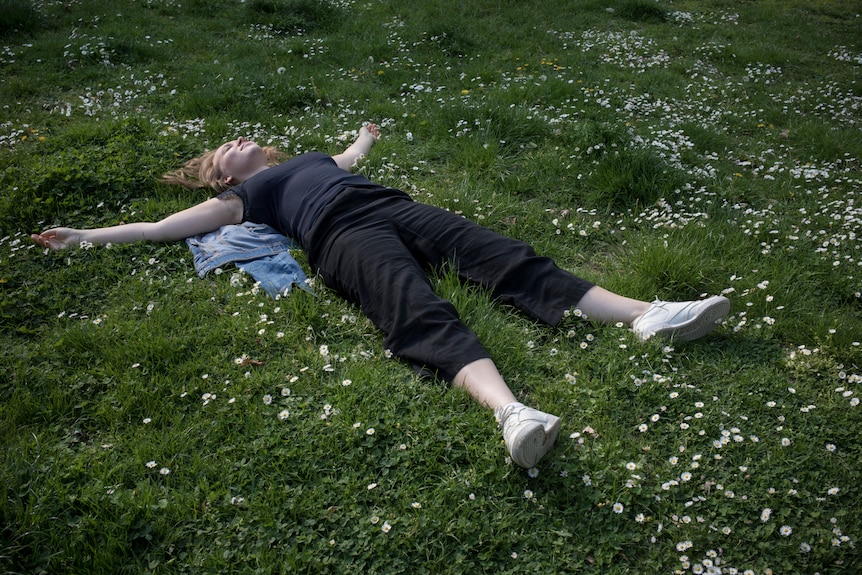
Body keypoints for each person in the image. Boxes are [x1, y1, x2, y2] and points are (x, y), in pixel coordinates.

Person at [31, 123, 730, 468]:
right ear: (222, 176)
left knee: (507, 258)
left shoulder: (305, 160)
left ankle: (648, 315)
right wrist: (87, 235)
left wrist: (362, 138)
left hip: (396, 206)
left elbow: (352, 160)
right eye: (226, 148)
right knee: (414, 311)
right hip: (340, 238)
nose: (240, 141)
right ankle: (511, 412)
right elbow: (158, 227)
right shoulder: (245, 197)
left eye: (243, 139)